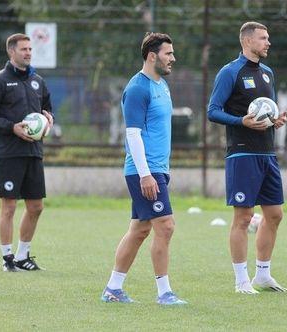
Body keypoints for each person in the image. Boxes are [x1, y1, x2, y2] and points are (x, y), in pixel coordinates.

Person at [100, 32, 187, 306]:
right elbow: (133, 134)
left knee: (139, 230)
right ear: (152, 56)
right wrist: (145, 174)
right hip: (145, 171)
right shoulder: (138, 88)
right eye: (168, 54)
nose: (173, 58)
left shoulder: (161, 85)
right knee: (166, 226)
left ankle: (113, 288)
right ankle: (164, 293)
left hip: (157, 169)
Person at [208, 22, 287, 294]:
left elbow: (268, 109)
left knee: (275, 214)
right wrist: (241, 121)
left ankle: (262, 275)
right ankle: (241, 280)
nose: (268, 43)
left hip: (267, 152)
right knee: (243, 217)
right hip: (242, 152)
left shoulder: (267, 73)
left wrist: (275, 121)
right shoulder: (230, 72)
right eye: (263, 38)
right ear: (247, 41)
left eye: (268, 37)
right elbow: (213, 110)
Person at [0, 33, 54, 272]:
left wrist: (48, 119)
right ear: (11, 52)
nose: (29, 53)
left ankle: (23, 257)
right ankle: (7, 258)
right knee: (9, 206)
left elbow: (47, 109)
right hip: (8, 152)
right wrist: (12, 128)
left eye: (30, 49)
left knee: (36, 207)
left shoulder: (38, 81)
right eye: (24, 49)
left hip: (33, 151)